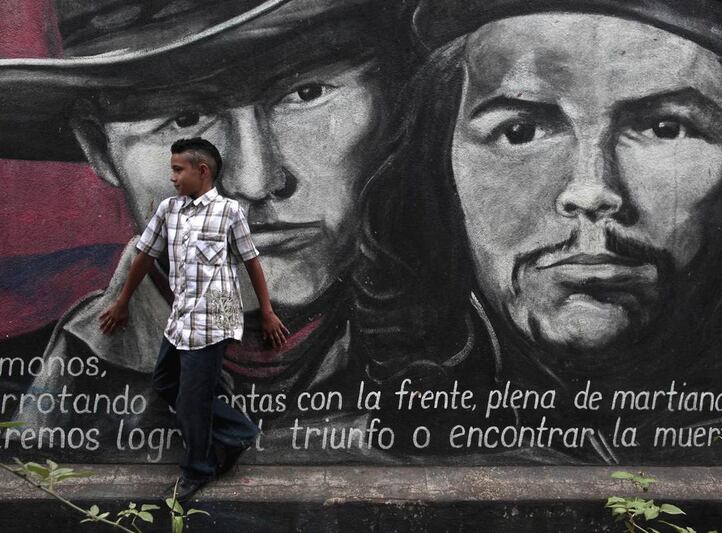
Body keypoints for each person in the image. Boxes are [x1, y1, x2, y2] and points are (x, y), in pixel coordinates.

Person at [354, 0, 722, 463]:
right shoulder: (360, 457)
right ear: (440, 172)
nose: (591, 191)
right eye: (521, 131)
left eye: (665, 127)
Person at [2, 0, 413, 463]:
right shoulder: (36, 386)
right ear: (99, 149)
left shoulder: (485, 360)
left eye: (306, 93)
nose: (256, 182)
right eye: (184, 119)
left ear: (392, 97)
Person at [102, 137, 288, 500]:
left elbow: (251, 262)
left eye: (177, 169)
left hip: (214, 320)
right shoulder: (169, 210)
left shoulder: (229, 212)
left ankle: (197, 469)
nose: (172, 177)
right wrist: (123, 300)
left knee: (192, 401)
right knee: (166, 384)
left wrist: (267, 312)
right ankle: (238, 433)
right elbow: (143, 255)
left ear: (201, 171)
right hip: (181, 317)